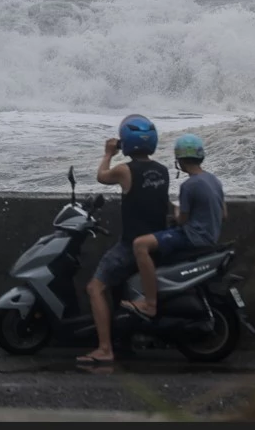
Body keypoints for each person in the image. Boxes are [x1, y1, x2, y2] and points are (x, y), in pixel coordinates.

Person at [77, 114, 170, 365]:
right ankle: (124, 340)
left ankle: (105, 348)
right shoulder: (162, 170)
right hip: (158, 241)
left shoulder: (124, 170)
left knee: (94, 288)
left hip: (132, 245)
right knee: (119, 288)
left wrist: (108, 152)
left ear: (126, 142)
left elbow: (101, 176)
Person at [121, 133, 227, 319]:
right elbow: (224, 214)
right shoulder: (214, 180)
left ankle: (149, 304)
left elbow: (182, 221)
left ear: (180, 160)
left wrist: (177, 212)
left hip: (193, 237)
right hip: (211, 236)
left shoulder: (189, 185)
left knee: (140, 245)